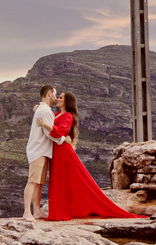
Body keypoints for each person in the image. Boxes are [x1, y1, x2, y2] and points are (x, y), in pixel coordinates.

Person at [47, 92, 134, 221]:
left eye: (61, 98)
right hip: (57, 150)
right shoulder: (57, 114)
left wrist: (48, 127)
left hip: (63, 152)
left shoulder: (68, 116)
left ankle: (61, 212)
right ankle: (62, 210)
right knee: (59, 179)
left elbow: (59, 130)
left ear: (67, 102)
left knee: (63, 179)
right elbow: (51, 125)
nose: (58, 99)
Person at [23, 84, 57, 219]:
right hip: (38, 151)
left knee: (38, 183)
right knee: (32, 181)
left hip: (41, 151)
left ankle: (36, 211)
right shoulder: (46, 111)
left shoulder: (42, 109)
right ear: (49, 93)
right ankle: (27, 212)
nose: (55, 97)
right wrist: (63, 140)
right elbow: (49, 132)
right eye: (55, 94)